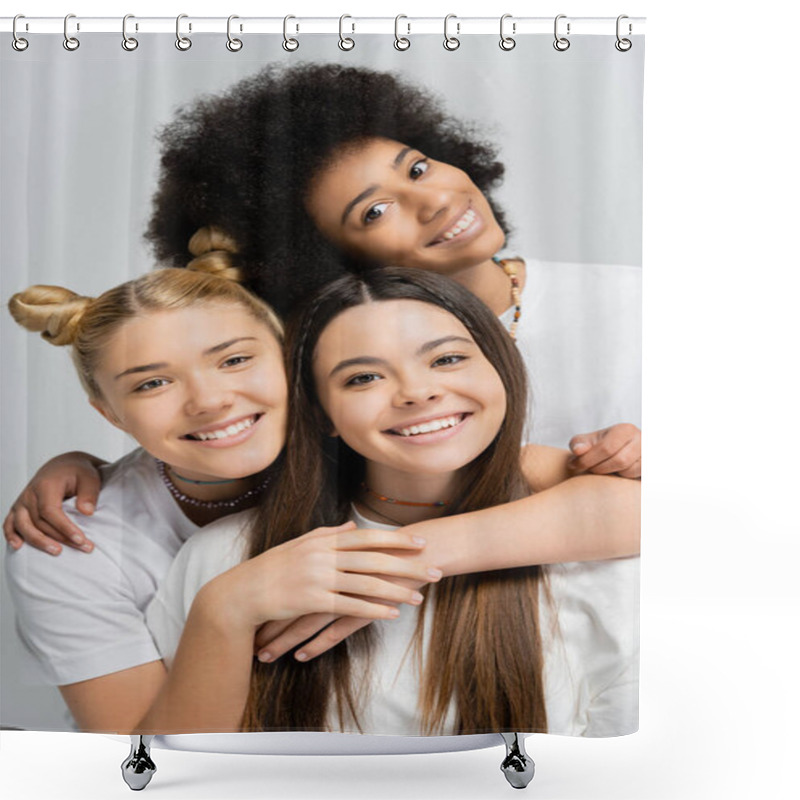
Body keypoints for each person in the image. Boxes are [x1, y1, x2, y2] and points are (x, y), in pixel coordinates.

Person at [4, 63, 640, 554]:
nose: (436, 201)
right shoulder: (335, 368)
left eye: (416, 168)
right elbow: (222, 435)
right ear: (324, 260)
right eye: (374, 211)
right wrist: (85, 470)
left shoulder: (637, 302)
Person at [141, 268, 639, 737]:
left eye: (447, 358)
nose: (418, 392)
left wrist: (404, 557)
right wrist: (223, 609)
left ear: (500, 367)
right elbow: (167, 774)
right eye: (362, 378)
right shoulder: (229, 557)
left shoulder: (598, 558)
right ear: (322, 414)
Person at [4, 263, 435, 732]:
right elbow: (139, 766)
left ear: (290, 358)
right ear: (111, 415)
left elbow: (521, 484)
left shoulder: (375, 442)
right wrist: (227, 607)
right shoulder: (69, 544)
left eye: (234, 360)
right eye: (152, 383)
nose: (208, 401)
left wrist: (437, 547)